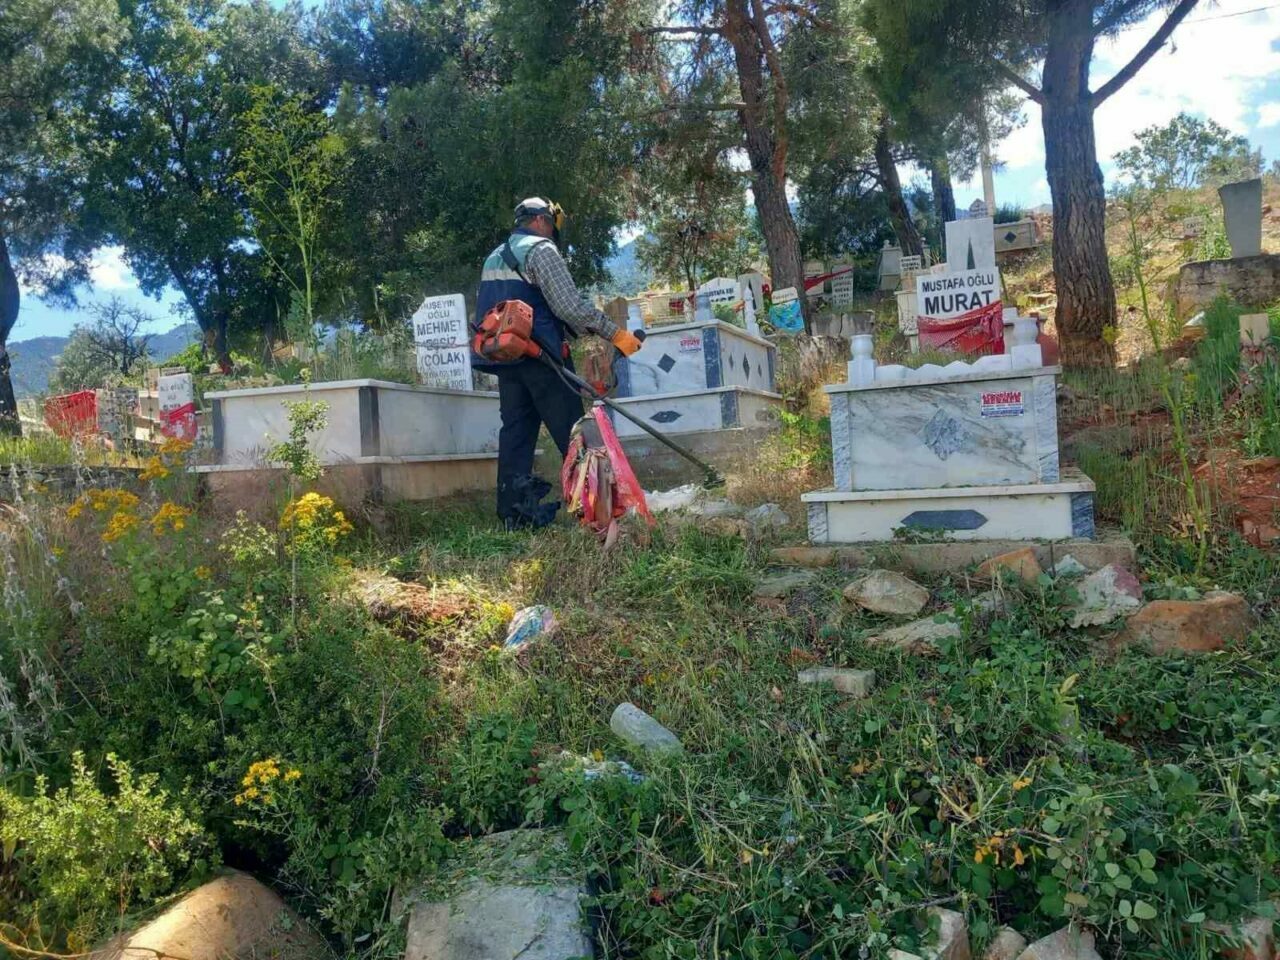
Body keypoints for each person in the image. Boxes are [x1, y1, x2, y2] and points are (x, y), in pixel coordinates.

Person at [474, 197, 643, 529]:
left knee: (516, 435)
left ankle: (514, 517)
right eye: (551, 225)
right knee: (575, 432)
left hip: (507, 359)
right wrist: (616, 335)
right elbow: (569, 306)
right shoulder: (541, 250)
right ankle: (597, 512)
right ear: (539, 221)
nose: (552, 232)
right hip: (541, 358)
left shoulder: (495, 255)